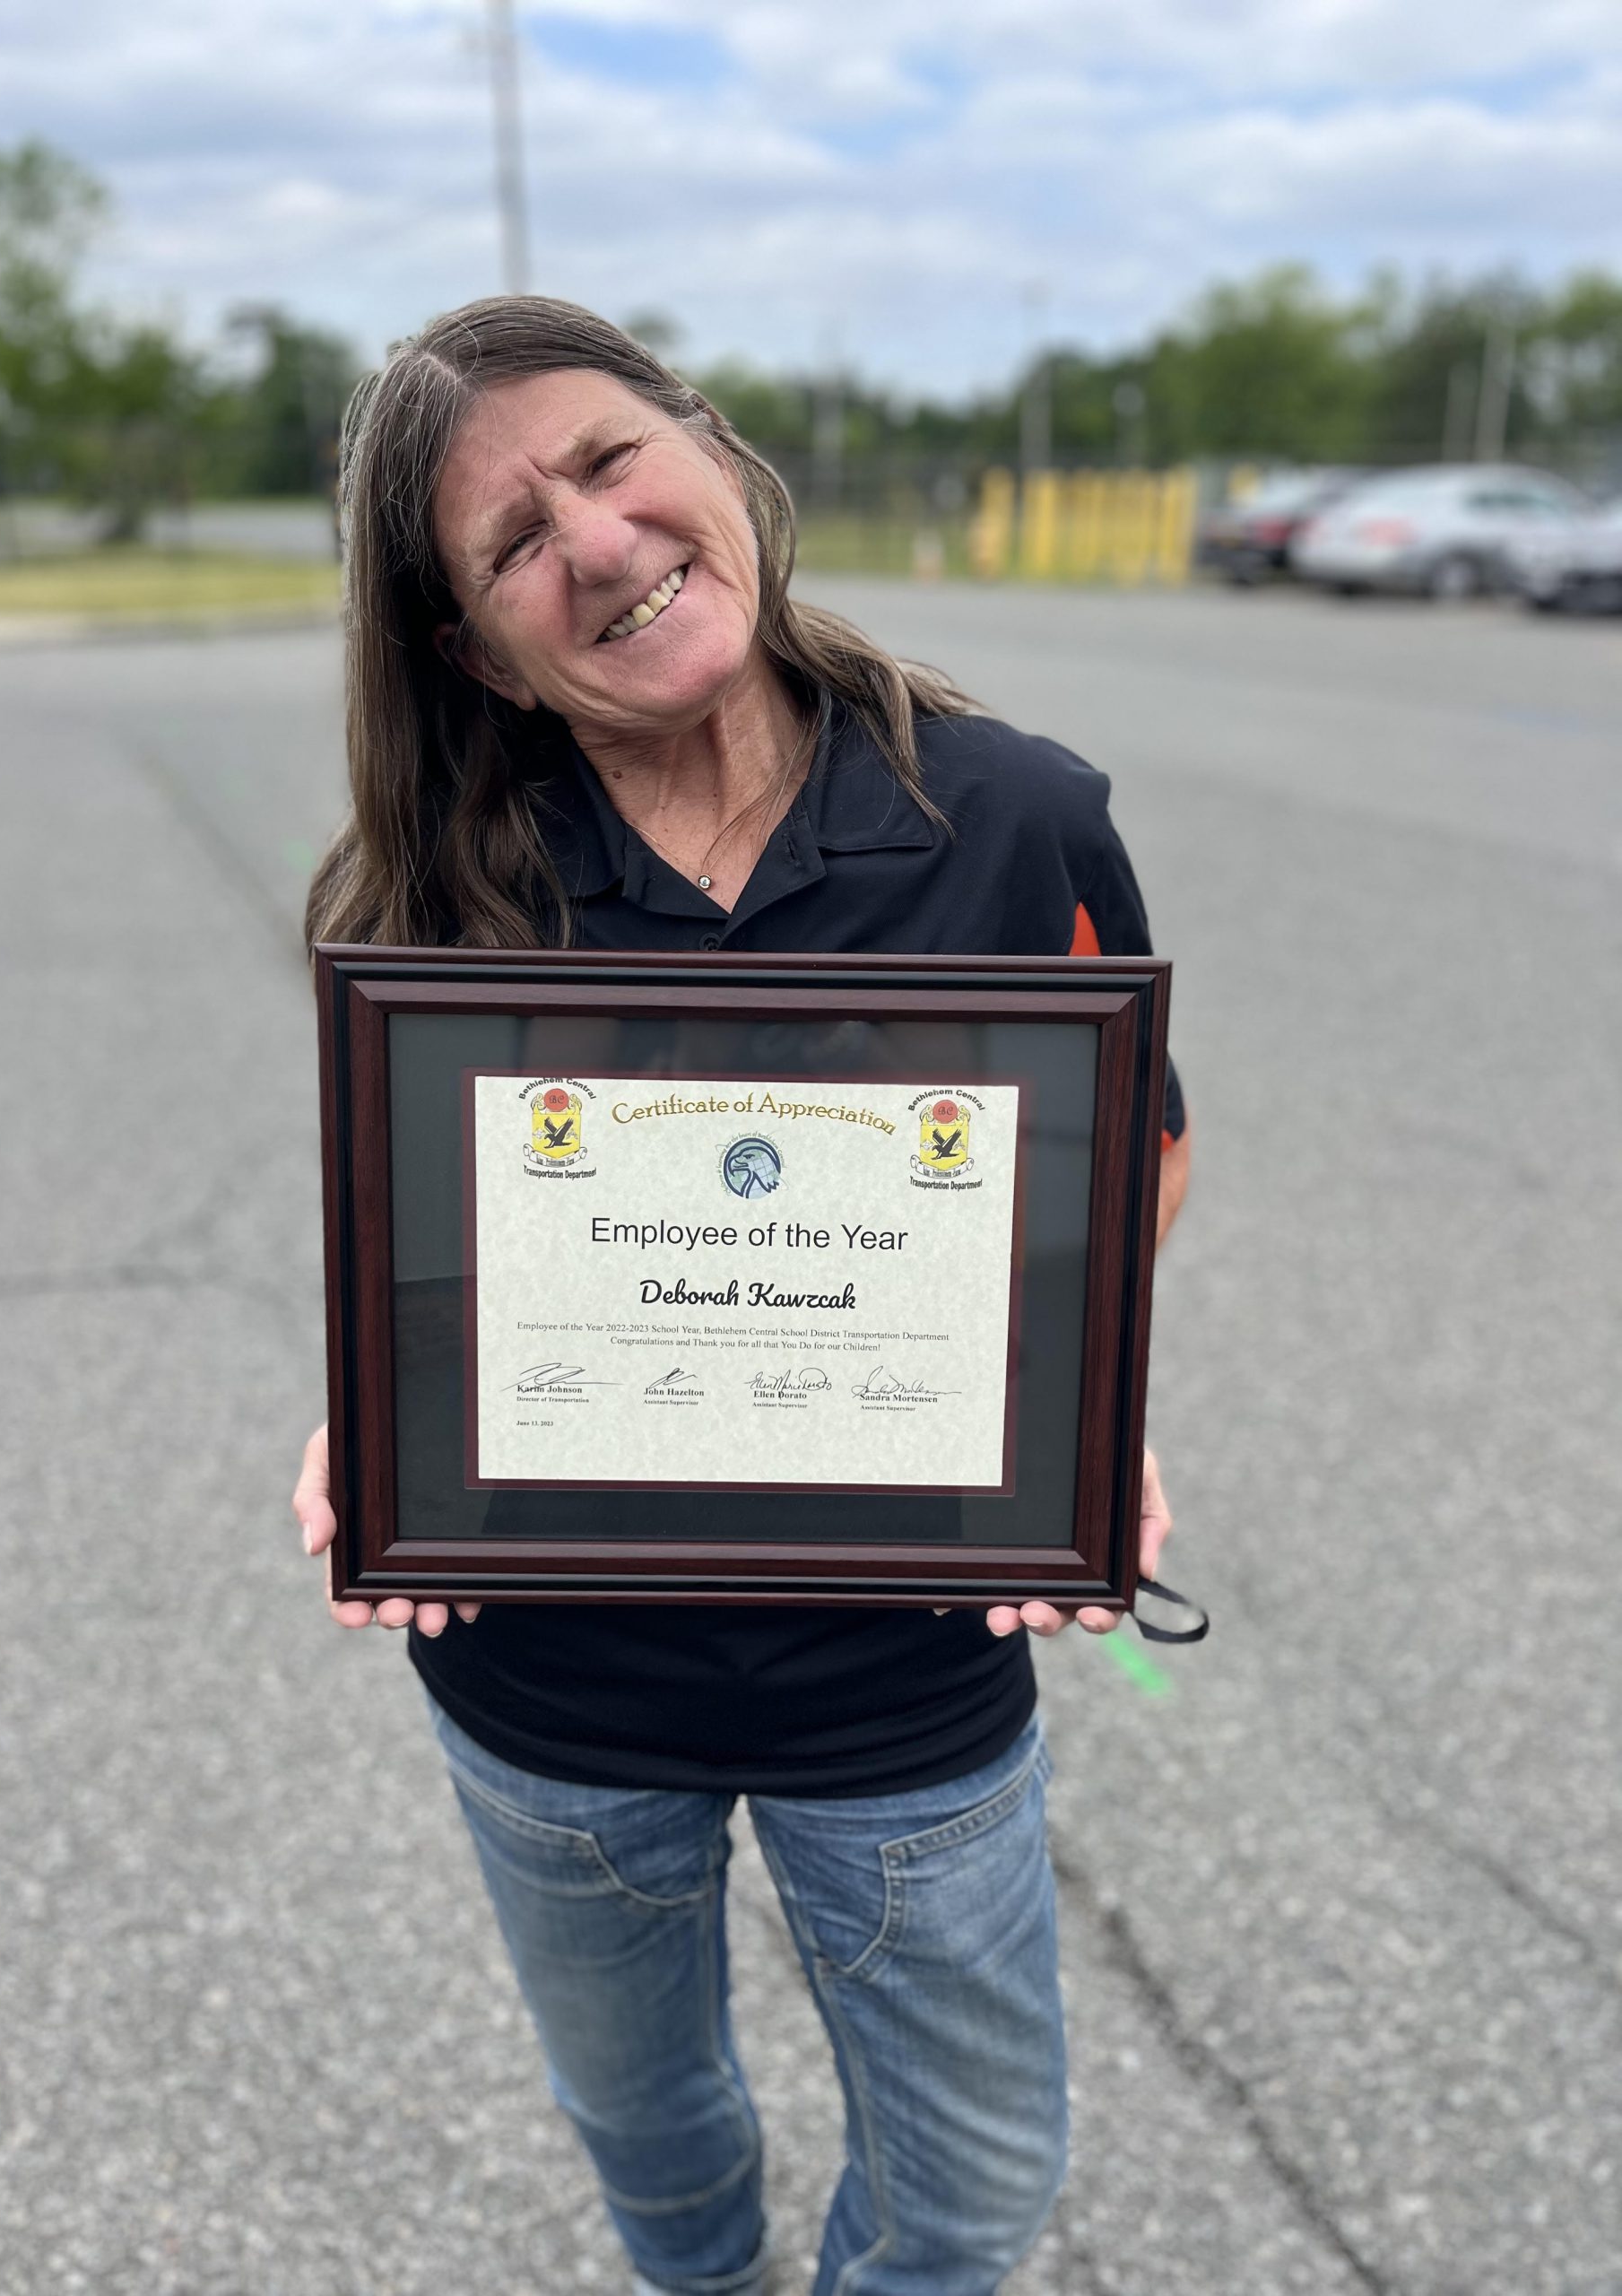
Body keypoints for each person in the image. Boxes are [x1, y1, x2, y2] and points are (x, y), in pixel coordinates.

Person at [292, 297, 1190, 2296]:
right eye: (514, 541)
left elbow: (1137, 1143)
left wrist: (1076, 1388)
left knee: (969, 2192)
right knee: (654, 2124)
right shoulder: (442, 892)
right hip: (557, 1695)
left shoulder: (1017, 815)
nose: (596, 545)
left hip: (904, 1681)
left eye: (609, 462)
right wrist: (374, 1408)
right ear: (473, 650)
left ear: (712, 448)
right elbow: (426, 1252)